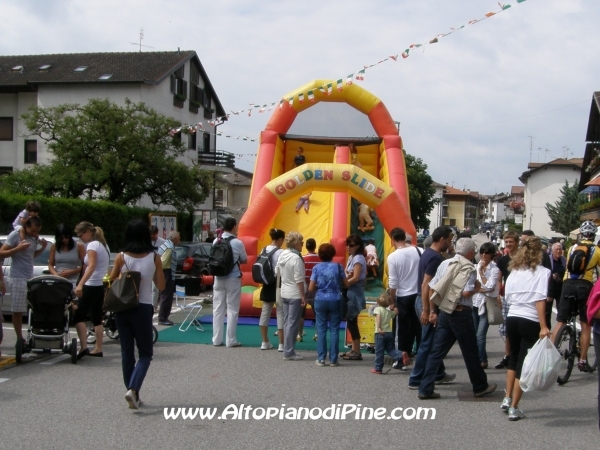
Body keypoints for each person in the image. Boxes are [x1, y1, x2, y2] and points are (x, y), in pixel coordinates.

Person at [417, 238, 497, 400]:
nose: (474, 253)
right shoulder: (469, 267)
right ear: (468, 252)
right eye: (474, 250)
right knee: (471, 352)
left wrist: (433, 310)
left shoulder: (445, 264)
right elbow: (466, 292)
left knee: (436, 352)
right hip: (461, 313)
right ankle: (480, 386)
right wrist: (475, 289)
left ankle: (425, 388)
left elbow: (433, 287)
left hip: (445, 312)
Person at [109, 219, 165, 410]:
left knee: (126, 352)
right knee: (146, 353)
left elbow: (111, 279)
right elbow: (161, 285)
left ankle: (133, 392)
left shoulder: (121, 257)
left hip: (122, 307)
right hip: (143, 307)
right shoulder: (154, 257)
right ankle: (133, 390)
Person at [502, 236, 551, 421]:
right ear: (539, 253)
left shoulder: (514, 271)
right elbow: (540, 299)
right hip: (529, 318)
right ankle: (514, 407)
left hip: (513, 316)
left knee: (513, 358)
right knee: (525, 363)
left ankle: (507, 398)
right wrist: (544, 325)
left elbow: (507, 295)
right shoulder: (542, 272)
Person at [408, 226, 455, 389]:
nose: (450, 243)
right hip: (427, 302)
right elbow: (427, 284)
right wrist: (430, 310)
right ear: (441, 239)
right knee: (427, 342)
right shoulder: (435, 258)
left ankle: (438, 373)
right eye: (449, 240)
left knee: (435, 341)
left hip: (422, 300)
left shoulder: (428, 253)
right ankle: (416, 378)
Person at [552, 221, 600, 372]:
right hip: (584, 286)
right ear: (593, 235)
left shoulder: (572, 248)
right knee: (585, 324)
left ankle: (550, 357)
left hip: (567, 285)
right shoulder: (597, 250)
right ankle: (582, 361)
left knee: (561, 321)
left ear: (581, 234)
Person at [0, 216, 48, 343]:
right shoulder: (15, 235)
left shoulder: (33, 237)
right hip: (17, 276)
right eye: (32, 231)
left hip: (29, 276)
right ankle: (19, 338)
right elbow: (1, 252)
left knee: (34, 307)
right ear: (26, 227)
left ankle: (35, 334)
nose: (35, 234)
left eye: (37, 231)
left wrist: (42, 248)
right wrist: (17, 249)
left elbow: (31, 256)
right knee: (18, 310)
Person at [73, 222, 110, 358]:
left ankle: (83, 347)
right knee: (96, 317)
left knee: (78, 316)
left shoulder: (93, 245)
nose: (80, 237)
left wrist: (80, 284)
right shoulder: (104, 245)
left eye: (81, 234)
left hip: (91, 283)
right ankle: (98, 348)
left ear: (88, 231)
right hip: (100, 284)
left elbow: (91, 266)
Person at [309, 243, 348, 366]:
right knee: (334, 329)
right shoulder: (338, 266)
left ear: (320, 255)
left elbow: (310, 288)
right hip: (335, 298)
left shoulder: (316, 268)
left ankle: (321, 358)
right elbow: (346, 284)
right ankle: (333, 359)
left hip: (320, 298)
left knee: (321, 329)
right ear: (333, 254)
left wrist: (318, 287)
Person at [387, 227, 421, 367]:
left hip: (403, 295)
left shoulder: (393, 257)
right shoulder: (419, 251)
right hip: (418, 293)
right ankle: (421, 356)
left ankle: (402, 357)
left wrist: (392, 301)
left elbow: (393, 282)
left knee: (403, 329)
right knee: (418, 326)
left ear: (393, 239)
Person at [212, 217, 247, 347]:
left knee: (218, 309)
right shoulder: (237, 242)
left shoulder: (216, 240)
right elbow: (244, 260)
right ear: (234, 227)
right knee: (232, 309)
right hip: (233, 278)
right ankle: (230, 340)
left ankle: (216, 339)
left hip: (218, 278)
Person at [276, 231, 306, 360]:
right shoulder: (296, 258)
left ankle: (286, 348)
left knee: (287, 321)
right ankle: (289, 351)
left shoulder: (282, 254)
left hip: (285, 291)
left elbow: (276, 271)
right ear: (295, 243)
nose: (302, 245)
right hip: (294, 293)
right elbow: (299, 279)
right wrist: (303, 295)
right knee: (292, 323)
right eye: (301, 242)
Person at [471, 242, 500, 369]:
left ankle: (481, 360)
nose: (484, 255)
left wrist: (482, 274)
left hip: (486, 304)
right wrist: (480, 288)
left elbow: (489, 287)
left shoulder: (494, 269)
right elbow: (472, 285)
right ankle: (481, 358)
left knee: (480, 335)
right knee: (475, 333)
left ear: (492, 254)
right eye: (482, 252)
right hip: (475, 303)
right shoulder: (475, 266)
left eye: (487, 252)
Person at [494, 230, 520, 369]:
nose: (508, 244)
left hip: (521, 297)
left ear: (517, 243)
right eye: (507, 242)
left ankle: (518, 354)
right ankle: (508, 355)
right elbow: (499, 279)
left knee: (519, 327)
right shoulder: (503, 260)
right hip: (507, 297)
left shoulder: (522, 258)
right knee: (507, 329)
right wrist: (498, 295)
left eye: (511, 242)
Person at [259, 229, 285, 351]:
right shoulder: (282, 252)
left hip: (266, 283)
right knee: (280, 312)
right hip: (279, 282)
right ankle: (281, 344)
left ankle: (265, 341)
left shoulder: (264, 249)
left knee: (265, 311)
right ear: (280, 239)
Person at [341, 234, 366, 361]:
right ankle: (354, 348)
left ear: (358, 246)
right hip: (351, 292)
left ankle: (357, 350)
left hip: (354, 293)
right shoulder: (352, 257)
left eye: (351, 245)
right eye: (347, 245)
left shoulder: (358, 259)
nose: (348, 247)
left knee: (352, 321)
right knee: (351, 322)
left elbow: (356, 278)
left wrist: (345, 282)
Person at [371, 293, 402, 374]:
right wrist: (394, 308)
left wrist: (379, 328)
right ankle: (400, 355)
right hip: (389, 333)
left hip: (380, 333)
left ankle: (378, 368)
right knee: (390, 349)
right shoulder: (388, 312)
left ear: (378, 302)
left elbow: (378, 317)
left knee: (379, 351)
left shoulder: (378, 309)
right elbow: (396, 313)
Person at [48, 223, 86, 289]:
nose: (64, 240)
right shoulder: (54, 246)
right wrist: (56, 275)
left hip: (74, 280)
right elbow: (50, 265)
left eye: (66, 237)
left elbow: (85, 265)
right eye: (61, 238)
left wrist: (72, 272)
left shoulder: (79, 246)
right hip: (59, 280)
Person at [157, 231, 180, 326]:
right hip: (167, 272)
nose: (179, 240)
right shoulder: (170, 248)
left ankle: (163, 316)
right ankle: (163, 317)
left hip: (165, 272)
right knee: (167, 295)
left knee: (165, 294)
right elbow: (162, 263)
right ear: (174, 239)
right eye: (179, 238)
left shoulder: (165, 245)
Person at [299, 238, 320, 341]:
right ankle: (317, 334)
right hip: (316, 286)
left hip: (304, 285)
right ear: (315, 246)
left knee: (301, 311)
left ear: (306, 247)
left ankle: (299, 334)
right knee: (317, 311)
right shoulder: (320, 259)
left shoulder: (303, 258)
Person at [547, 242, 566, 329]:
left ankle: (559, 329)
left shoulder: (564, 260)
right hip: (550, 288)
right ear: (552, 251)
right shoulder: (548, 259)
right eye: (556, 249)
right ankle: (547, 328)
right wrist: (552, 275)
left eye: (560, 249)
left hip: (560, 288)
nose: (558, 251)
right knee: (547, 310)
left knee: (561, 309)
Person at [149, 225, 165, 310]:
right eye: (151, 235)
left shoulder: (162, 242)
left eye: (154, 235)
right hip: (148, 266)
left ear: (157, 233)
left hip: (157, 266)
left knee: (155, 288)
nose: (152, 236)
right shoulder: (146, 241)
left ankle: (153, 306)